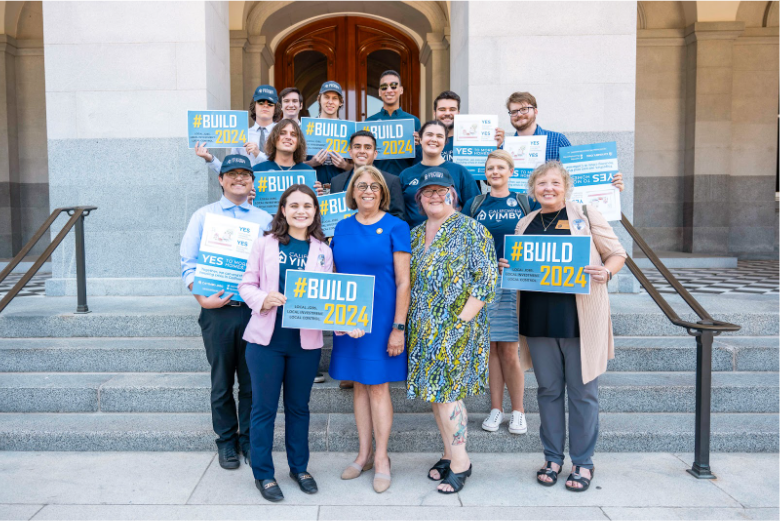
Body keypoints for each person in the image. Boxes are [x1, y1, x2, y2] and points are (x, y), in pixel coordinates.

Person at [500, 160, 627, 492]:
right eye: (542, 183)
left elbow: (617, 254)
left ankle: (583, 462)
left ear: (566, 187)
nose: (548, 188)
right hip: (537, 319)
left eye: (555, 183)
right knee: (548, 391)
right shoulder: (525, 222)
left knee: (583, 394)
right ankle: (553, 458)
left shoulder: (585, 214)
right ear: (532, 189)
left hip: (578, 318)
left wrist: (607, 272)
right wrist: (509, 266)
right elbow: (521, 265)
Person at [238, 184, 337, 502]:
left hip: (304, 344)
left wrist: (348, 325)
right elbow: (246, 284)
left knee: (298, 408)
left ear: (315, 211)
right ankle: (263, 473)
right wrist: (263, 298)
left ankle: (299, 468)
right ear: (283, 210)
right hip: (266, 341)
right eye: (294, 205)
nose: (300, 211)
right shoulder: (264, 243)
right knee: (263, 409)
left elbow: (329, 297)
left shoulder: (323, 250)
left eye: (307, 206)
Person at [406, 169, 498, 494]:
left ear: (451, 193)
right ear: (419, 198)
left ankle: (461, 462)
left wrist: (459, 323)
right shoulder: (416, 234)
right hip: (423, 329)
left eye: (440, 190)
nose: (434, 196)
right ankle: (448, 453)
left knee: (447, 396)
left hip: (457, 328)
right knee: (436, 395)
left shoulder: (471, 229)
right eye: (427, 191)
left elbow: (486, 279)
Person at [180, 154, 273, 470]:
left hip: (254, 312)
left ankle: (248, 440)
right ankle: (226, 442)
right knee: (221, 382)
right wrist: (201, 299)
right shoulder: (203, 216)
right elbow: (188, 263)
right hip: (217, 312)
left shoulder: (264, 220)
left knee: (251, 383)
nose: (239, 179)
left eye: (245, 174)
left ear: (252, 181)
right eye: (232, 174)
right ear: (221, 179)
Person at [330, 165, 411, 493]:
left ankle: (381, 458)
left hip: (382, 320)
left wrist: (398, 327)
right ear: (352, 191)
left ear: (383, 193)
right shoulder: (341, 226)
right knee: (359, 386)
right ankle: (363, 454)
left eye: (374, 186)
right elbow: (334, 275)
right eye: (361, 185)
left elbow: (404, 282)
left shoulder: (396, 226)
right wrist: (335, 317)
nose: (367, 191)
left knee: (377, 387)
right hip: (349, 320)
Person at [462, 150, 533, 435]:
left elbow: (540, 238)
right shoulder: (475, 203)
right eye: (490, 168)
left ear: (511, 171)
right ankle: (496, 409)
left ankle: (518, 411)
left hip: (514, 282)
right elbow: (465, 240)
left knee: (509, 350)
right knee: (490, 348)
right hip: (483, 284)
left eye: (500, 167)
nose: (495, 172)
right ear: (485, 172)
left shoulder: (525, 202)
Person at [399, 121, 480, 228]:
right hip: (413, 237)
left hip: (454, 236)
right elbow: (397, 213)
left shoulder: (460, 171)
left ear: (445, 142)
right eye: (429, 135)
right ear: (420, 139)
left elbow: (475, 208)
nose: (434, 139)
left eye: (439, 136)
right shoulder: (406, 175)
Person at [195, 85, 279, 171]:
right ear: (254, 105)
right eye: (261, 102)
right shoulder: (242, 135)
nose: (265, 106)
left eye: (270, 103)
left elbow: (284, 166)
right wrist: (210, 159)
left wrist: (259, 155)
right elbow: (230, 171)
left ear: (275, 107)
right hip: (249, 179)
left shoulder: (282, 133)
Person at [330, 130, 405, 220]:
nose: (362, 151)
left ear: (375, 154)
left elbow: (398, 218)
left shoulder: (391, 181)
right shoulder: (336, 182)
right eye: (357, 147)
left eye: (367, 147)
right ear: (350, 152)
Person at [365, 70, 421, 176]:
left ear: (401, 90)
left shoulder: (413, 121)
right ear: (379, 92)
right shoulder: (369, 122)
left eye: (394, 86)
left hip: (404, 180)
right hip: (377, 180)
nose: (389, 90)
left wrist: (420, 144)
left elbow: (418, 159)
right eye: (384, 87)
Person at [305, 81, 351, 189]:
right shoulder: (307, 127)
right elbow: (294, 164)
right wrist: (311, 163)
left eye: (334, 98)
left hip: (341, 189)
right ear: (319, 99)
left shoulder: (348, 129)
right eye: (326, 97)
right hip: (313, 188)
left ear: (340, 102)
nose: (330, 102)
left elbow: (359, 167)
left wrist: (345, 165)